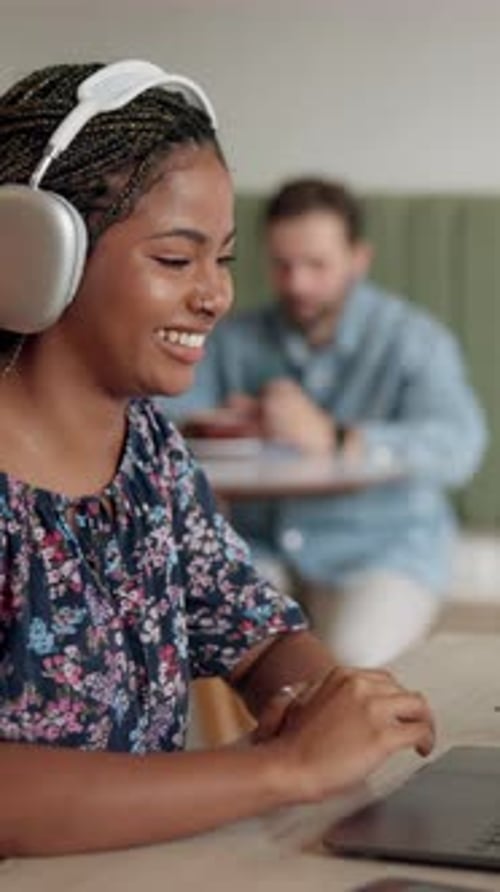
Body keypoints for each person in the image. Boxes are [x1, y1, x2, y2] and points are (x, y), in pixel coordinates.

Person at [0, 64, 435, 857]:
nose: (216, 296)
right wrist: (282, 768)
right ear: (35, 256)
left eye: (224, 260)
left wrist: (333, 707)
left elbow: (255, 634)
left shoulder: (151, 453)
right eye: (176, 260)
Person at [166, 178, 487, 667]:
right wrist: (220, 426)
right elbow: (162, 421)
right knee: (210, 650)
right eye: (283, 265)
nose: (297, 283)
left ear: (358, 258)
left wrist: (336, 437)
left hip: (381, 549)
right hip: (261, 547)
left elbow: (459, 446)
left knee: (352, 664)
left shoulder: (413, 340)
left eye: (317, 265)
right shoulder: (232, 339)